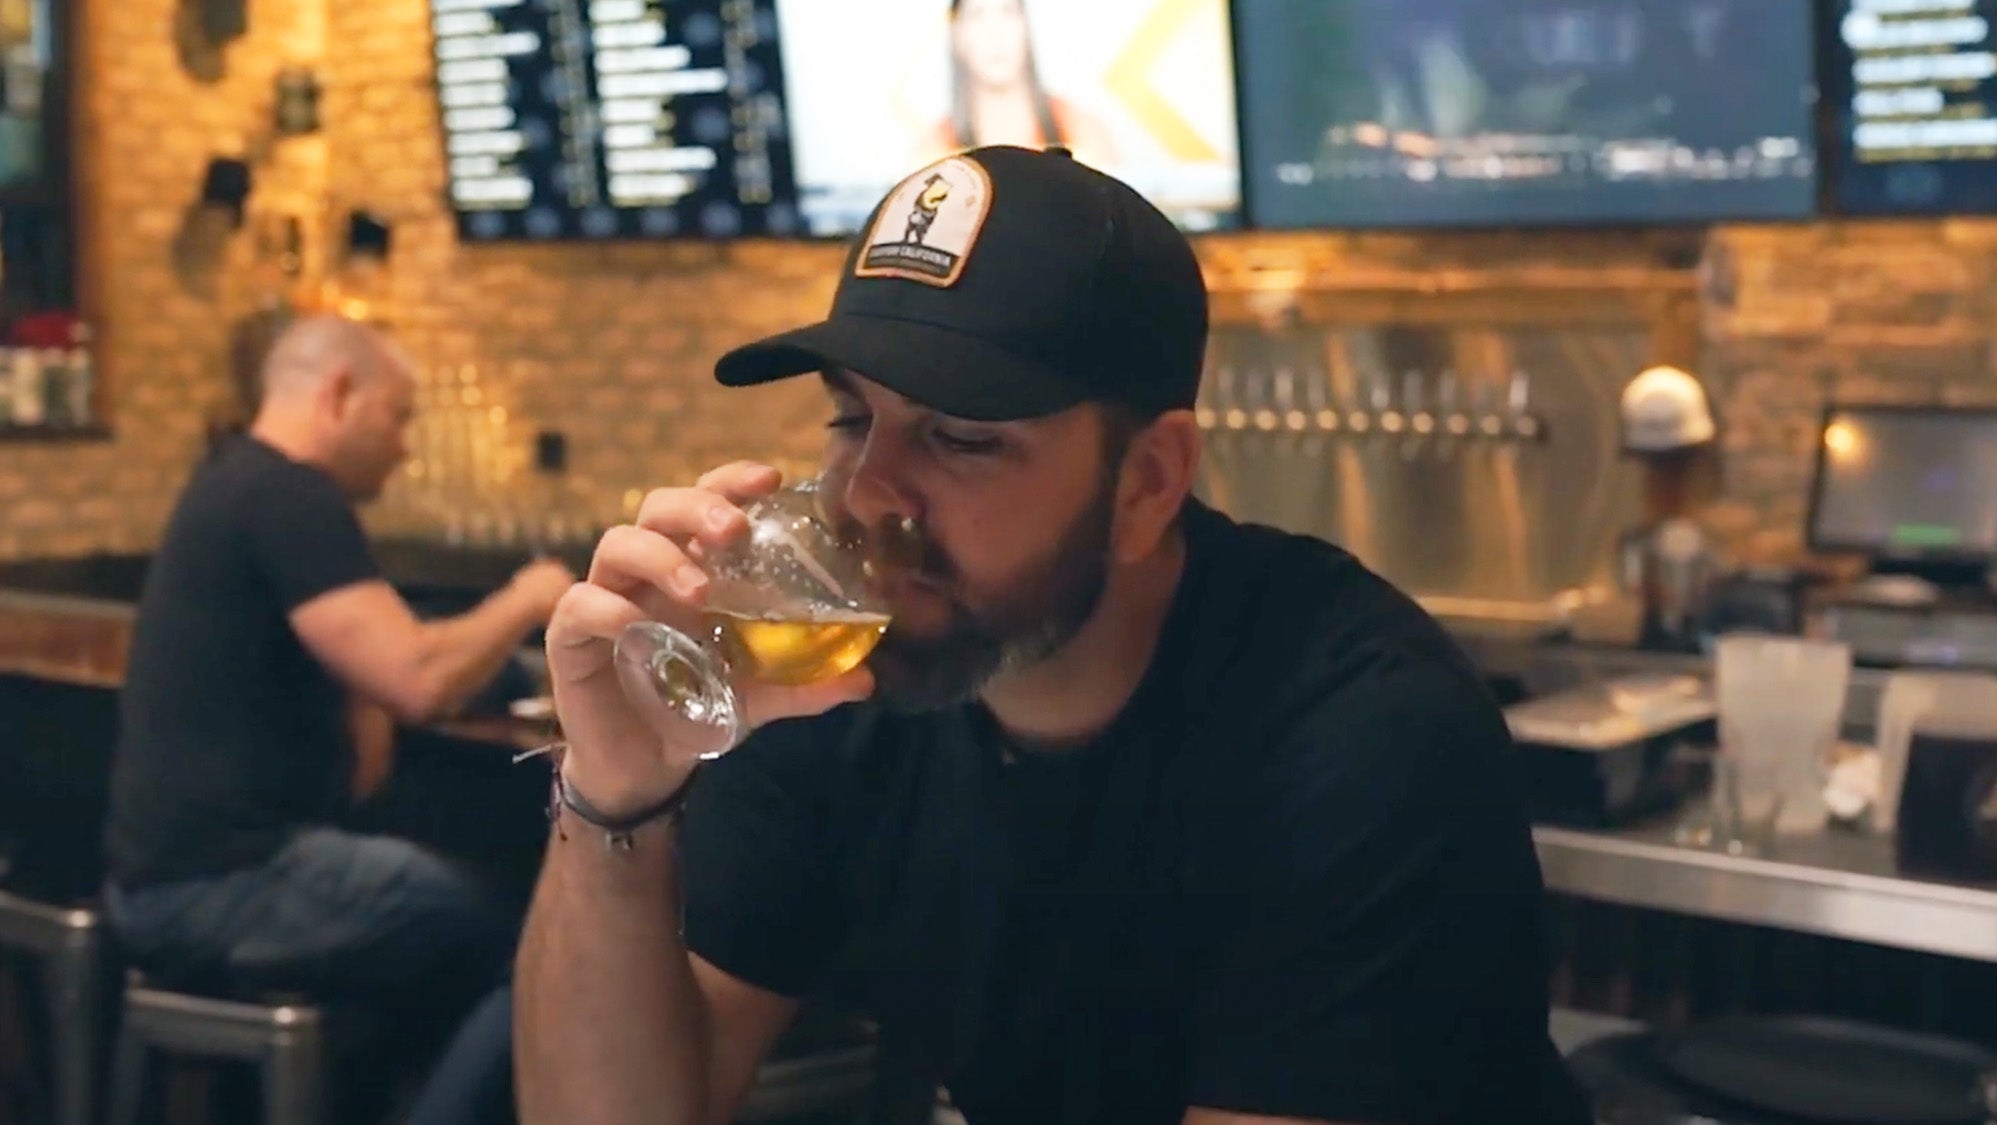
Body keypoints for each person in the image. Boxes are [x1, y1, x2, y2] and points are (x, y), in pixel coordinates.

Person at [514, 145, 1592, 1125]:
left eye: (960, 437)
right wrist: (615, 792)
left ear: (1148, 482)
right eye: (851, 419)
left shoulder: (1358, 731)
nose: (864, 496)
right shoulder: (834, 683)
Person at [101, 315, 576, 1121]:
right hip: (224, 880)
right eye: (397, 416)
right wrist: (531, 596)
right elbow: (418, 677)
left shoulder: (231, 480)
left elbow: (380, 674)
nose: (404, 445)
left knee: (451, 923)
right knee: (545, 942)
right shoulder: (286, 493)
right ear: (337, 394)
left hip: (172, 871)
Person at [916, 0, 1118, 169]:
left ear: (1026, 26)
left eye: (1008, 12)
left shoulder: (1081, 131)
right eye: (976, 15)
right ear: (957, 35)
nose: (995, 33)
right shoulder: (934, 153)